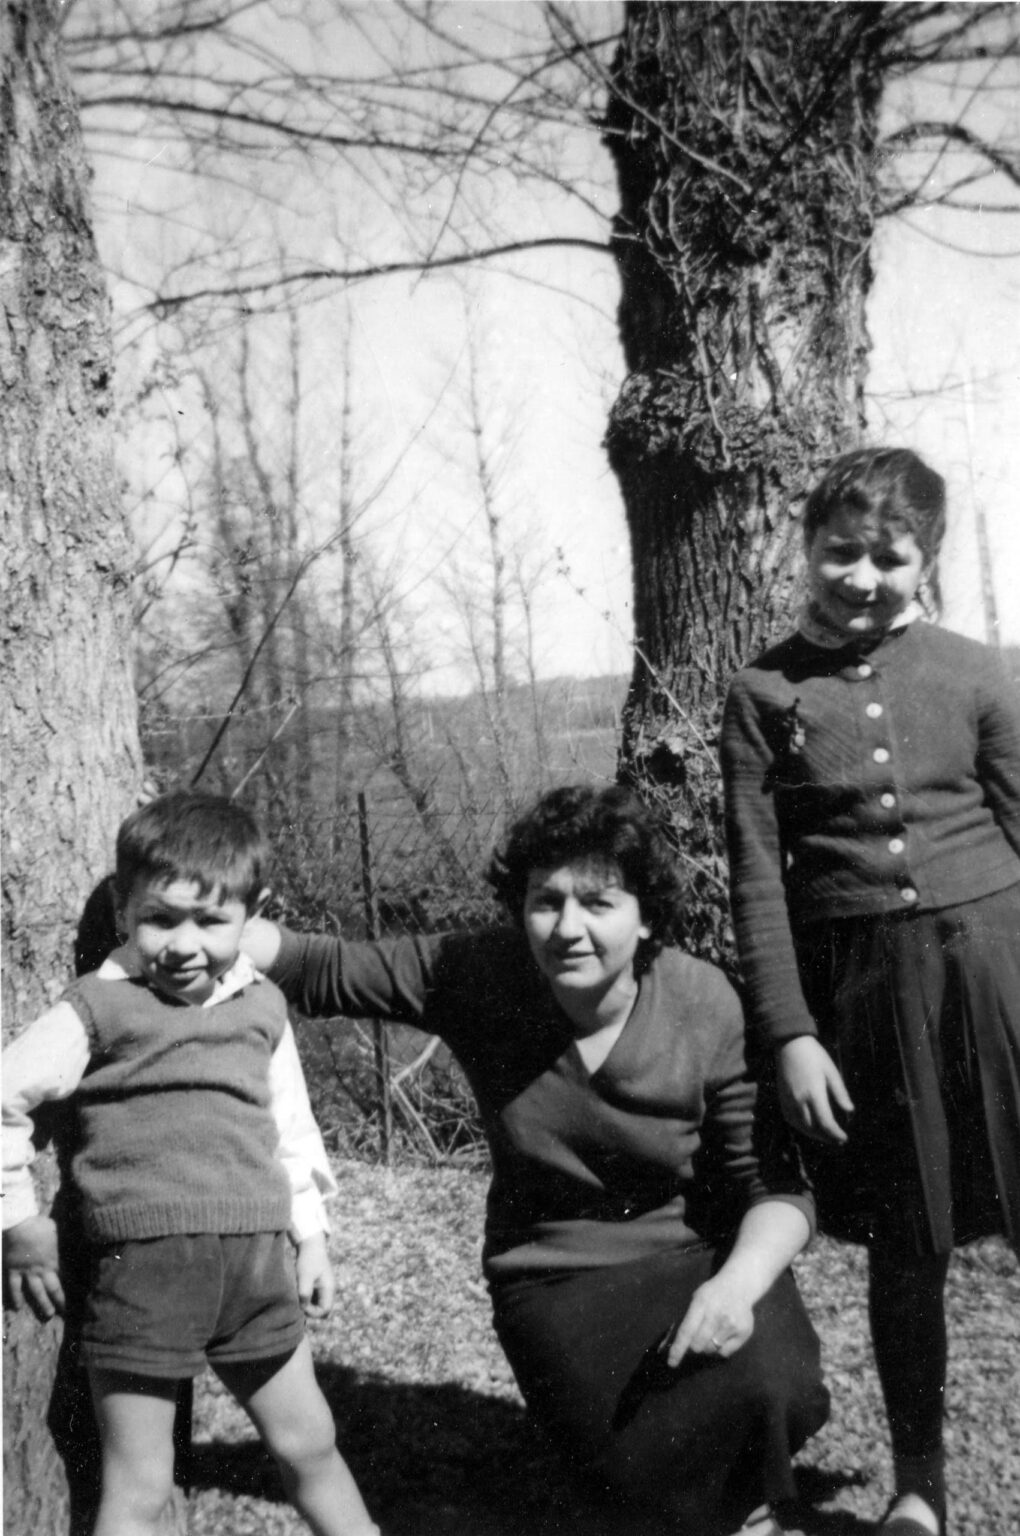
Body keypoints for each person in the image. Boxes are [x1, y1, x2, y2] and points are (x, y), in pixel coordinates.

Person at [242, 783, 829, 1536]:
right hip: (553, 1272)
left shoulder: (703, 1001)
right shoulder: (480, 972)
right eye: (546, 901)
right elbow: (319, 966)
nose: (568, 929)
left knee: (781, 1384)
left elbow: (775, 1187)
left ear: (646, 916)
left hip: (692, 1252)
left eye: (598, 903)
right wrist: (195, 920)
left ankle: (746, 1507)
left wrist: (736, 1288)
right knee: (628, 1462)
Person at [720, 447, 1020, 1536]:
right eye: (841, 552)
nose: (861, 578)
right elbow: (759, 879)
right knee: (910, 1248)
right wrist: (792, 1033)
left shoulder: (977, 673)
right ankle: (920, 1486)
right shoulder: (763, 693)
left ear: (924, 560)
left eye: (888, 558)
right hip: (872, 1005)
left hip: (1000, 982)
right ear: (807, 549)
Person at [2, 790, 381, 1536]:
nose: (184, 944)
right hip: (141, 1278)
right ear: (123, 911)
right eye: (160, 918)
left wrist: (311, 1237)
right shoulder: (97, 1007)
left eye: (210, 921)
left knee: (311, 1444)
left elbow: (290, 1127)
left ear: (251, 916)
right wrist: (17, 1221)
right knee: (140, 1487)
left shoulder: (262, 1007)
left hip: (256, 1274)